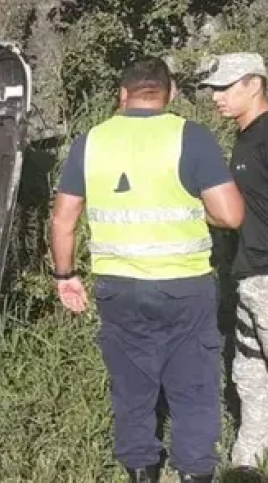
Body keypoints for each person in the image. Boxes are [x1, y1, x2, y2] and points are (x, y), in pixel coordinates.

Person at [50, 57, 245, 483]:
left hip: (119, 287)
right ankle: (194, 473)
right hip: (185, 285)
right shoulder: (190, 137)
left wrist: (65, 276)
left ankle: (141, 471)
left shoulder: (91, 141)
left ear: (122, 95)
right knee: (193, 387)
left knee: (132, 386)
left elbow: (63, 219)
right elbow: (230, 215)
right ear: (170, 93)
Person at [198, 52, 268, 472]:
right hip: (248, 276)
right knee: (250, 375)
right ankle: (247, 464)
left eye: (226, 87)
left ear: (255, 85)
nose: (216, 97)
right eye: (213, 89)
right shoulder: (245, 138)